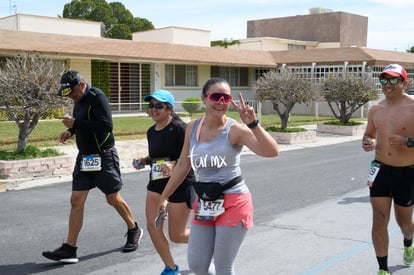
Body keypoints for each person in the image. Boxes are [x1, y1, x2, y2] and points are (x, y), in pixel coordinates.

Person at [157, 77, 280, 274]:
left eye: (226, 98)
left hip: (234, 200)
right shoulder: (193, 127)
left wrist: (253, 124)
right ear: (204, 99)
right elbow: (182, 165)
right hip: (206, 202)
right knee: (197, 264)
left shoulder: (235, 130)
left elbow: (272, 151)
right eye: (216, 96)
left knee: (223, 266)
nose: (221, 102)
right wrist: (164, 197)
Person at [42, 70, 143, 263]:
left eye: (73, 93)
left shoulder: (98, 97)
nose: (72, 97)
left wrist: (77, 123)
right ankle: (70, 249)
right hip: (85, 158)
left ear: (81, 85)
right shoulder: (78, 100)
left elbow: (106, 126)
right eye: (69, 95)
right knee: (76, 200)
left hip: (104, 156)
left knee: (113, 199)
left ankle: (134, 229)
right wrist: (70, 130)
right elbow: (81, 121)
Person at [133, 89, 196, 275]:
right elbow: (156, 155)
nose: (154, 110)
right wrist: (144, 161)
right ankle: (171, 268)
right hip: (156, 183)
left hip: (180, 183)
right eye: (151, 106)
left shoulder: (180, 128)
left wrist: (174, 163)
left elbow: (191, 157)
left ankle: (208, 239)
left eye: (158, 106)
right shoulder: (151, 131)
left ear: (169, 108)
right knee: (153, 226)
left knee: (177, 235)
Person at [362, 64, 414, 275]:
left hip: (407, 172)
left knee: (404, 221)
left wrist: (407, 142)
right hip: (380, 169)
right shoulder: (376, 109)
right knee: (379, 218)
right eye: (384, 80)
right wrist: (367, 141)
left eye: (394, 80)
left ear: (404, 82)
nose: (388, 85)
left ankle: (409, 241)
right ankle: (382, 269)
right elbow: (369, 134)